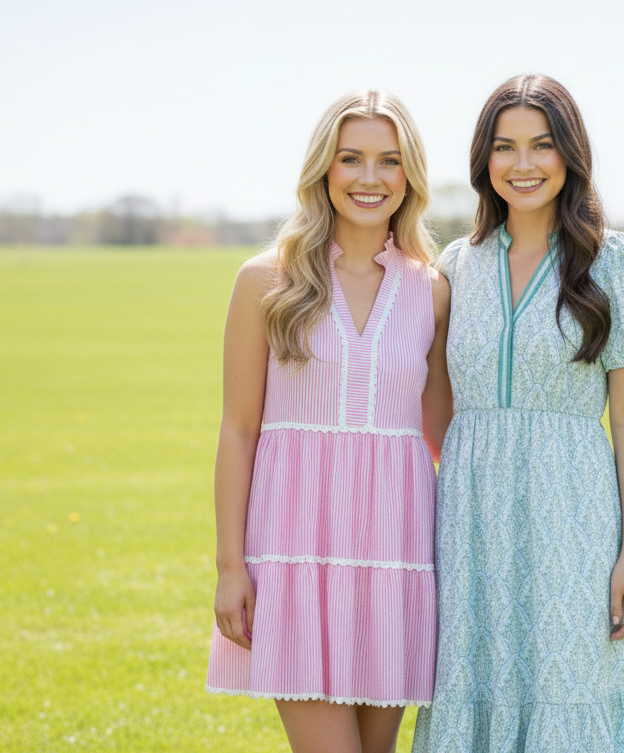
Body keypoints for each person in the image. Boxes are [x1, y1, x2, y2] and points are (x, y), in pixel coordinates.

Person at [412, 74, 624, 752]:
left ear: (570, 155)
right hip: (469, 523)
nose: (522, 164)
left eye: (541, 145)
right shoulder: (453, 266)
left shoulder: (619, 263)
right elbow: (437, 400)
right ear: (483, 160)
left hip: (573, 516)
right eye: (504, 147)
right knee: (475, 682)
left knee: (570, 681)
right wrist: (474, 472)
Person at [205, 90, 452, 753]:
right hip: (295, 553)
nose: (370, 178)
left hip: (397, 555)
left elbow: (446, 435)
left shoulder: (430, 286)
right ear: (324, 168)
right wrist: (231, 566)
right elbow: (237, 430)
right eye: (352, 159)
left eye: (388, 161)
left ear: (410, 175)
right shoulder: (264, 280)